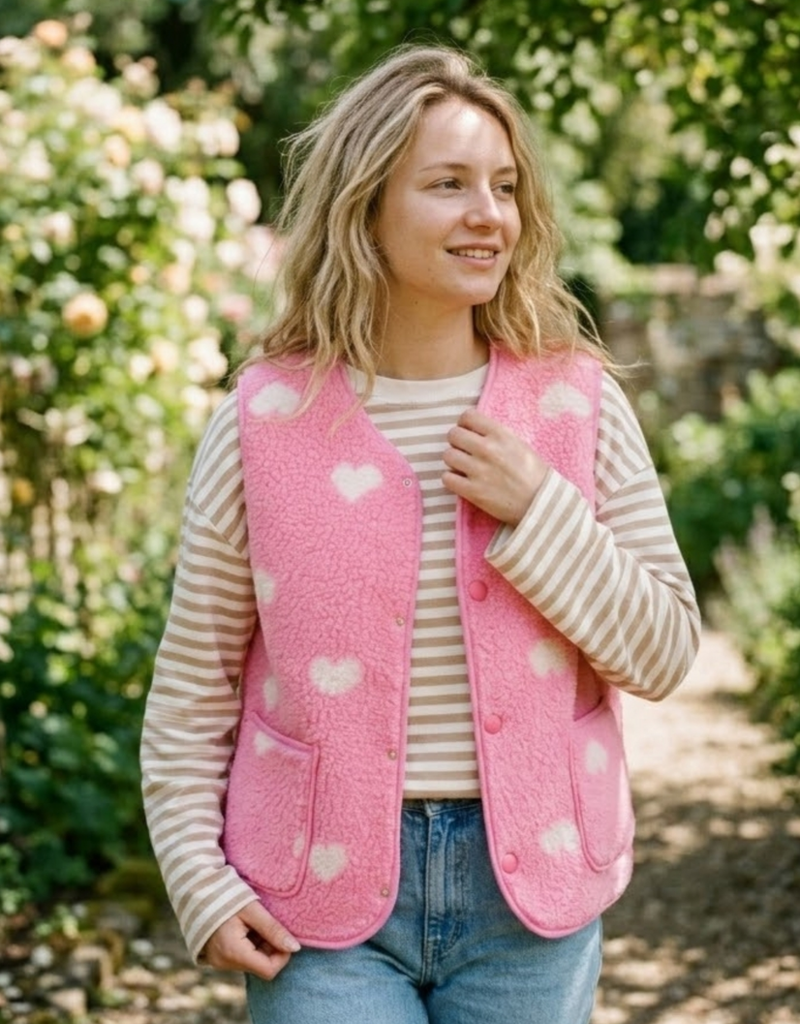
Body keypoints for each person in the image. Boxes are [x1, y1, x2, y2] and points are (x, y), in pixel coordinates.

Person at [141, 43, 701, 1024]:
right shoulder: (264, 418)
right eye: (447, 185)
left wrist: (540, 510)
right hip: (316, 901)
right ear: (366, 206)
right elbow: (192, 689)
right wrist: (200, 879)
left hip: (530, 891)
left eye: (502, 185)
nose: (488, 213)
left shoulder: (574, 404)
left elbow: (660, 651)